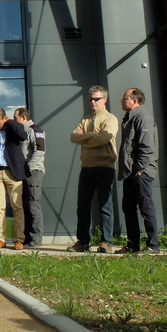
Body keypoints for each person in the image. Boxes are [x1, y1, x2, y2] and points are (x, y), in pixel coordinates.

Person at [68, 86, 119, 254]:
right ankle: (83, 242)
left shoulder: (110, 119)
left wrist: (86, 138)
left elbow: (105, 137)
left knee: (105, 205)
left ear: (104, 99)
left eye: (96, 99)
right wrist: (90, 137)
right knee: (82, 205)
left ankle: (106, 242)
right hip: (86, 167)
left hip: (104, 166)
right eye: (90, 99)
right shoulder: (86, 120)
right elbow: (73, 137)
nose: (92, 102)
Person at [117, 88, 160, 254]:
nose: (122, 101)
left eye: (125, 98)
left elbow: (147, 146)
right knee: (128, 207)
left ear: (134, 101)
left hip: (140, 172)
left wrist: (139, 169)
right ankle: (132, 245)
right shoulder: (131, 118)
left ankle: (153, 246)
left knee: (145, 207)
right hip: (132, 172)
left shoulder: (143, 117)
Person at [0, 108, 29, 251]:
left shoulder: (13, 127)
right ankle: (1, 239)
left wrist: (11, 123)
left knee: (17, 206)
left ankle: (18, 240)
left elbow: (23, 136)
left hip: (13, 172)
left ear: (4, 118)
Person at [15, 108, 45, 248]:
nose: (14, 120)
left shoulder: (34, 130)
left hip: (33, 171)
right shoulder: (23, 131)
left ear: (23, 118)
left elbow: (40, 150)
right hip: (24, 172)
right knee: (25, 204)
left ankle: (36, 238)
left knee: (33, 204)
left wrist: (29, 167)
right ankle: (27, 238)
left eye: (16, 117)